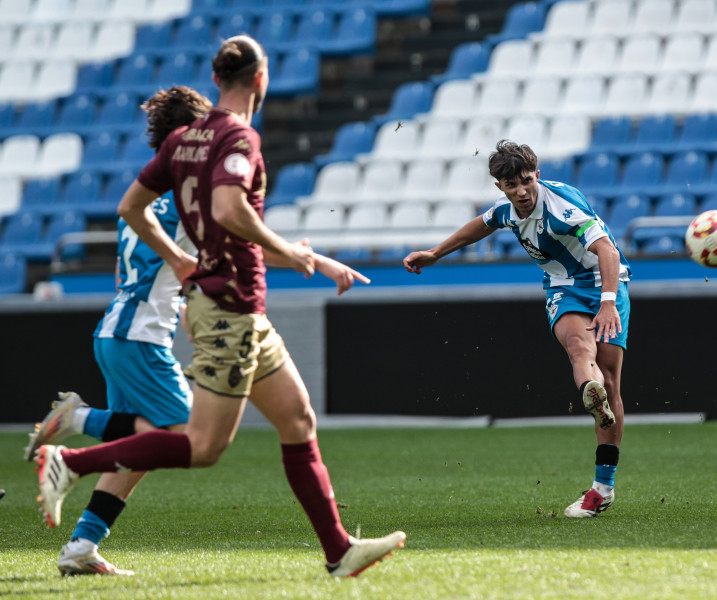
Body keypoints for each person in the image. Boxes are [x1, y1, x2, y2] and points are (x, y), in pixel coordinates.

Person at [35, 35, 406, 577]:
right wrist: (287, 252)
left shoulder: (183, 140)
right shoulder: (238, 136)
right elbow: (232, 209)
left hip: (237, 309)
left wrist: (189, 261)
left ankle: (338, 550)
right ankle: (70, 461)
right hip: (229, 307)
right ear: (262, 78)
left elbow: (130, 207)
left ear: (216, 79)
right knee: (202, 443)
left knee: (299, 419)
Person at [26, 86, 214, 575]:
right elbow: (207, 260)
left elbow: (128, 271)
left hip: (118, 330)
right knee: (187, 433)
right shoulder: (184, 198)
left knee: (139, 452)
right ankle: (76, 424)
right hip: (140, 338)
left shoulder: (144, 195)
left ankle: (81, 547)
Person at [403, 139, 632, 519]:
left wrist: (608, 301)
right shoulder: (507, 209)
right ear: (500, 187)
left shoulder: (561, 208)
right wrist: (434, 253)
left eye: (526, 181)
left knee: (611, 380)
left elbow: (607, 250)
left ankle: (602, 486)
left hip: (607, 282)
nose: (521, 191)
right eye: (511, 185)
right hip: (564, 287)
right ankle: (590, 392)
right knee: (578, 347)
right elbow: (480, 225)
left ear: (537, 175)